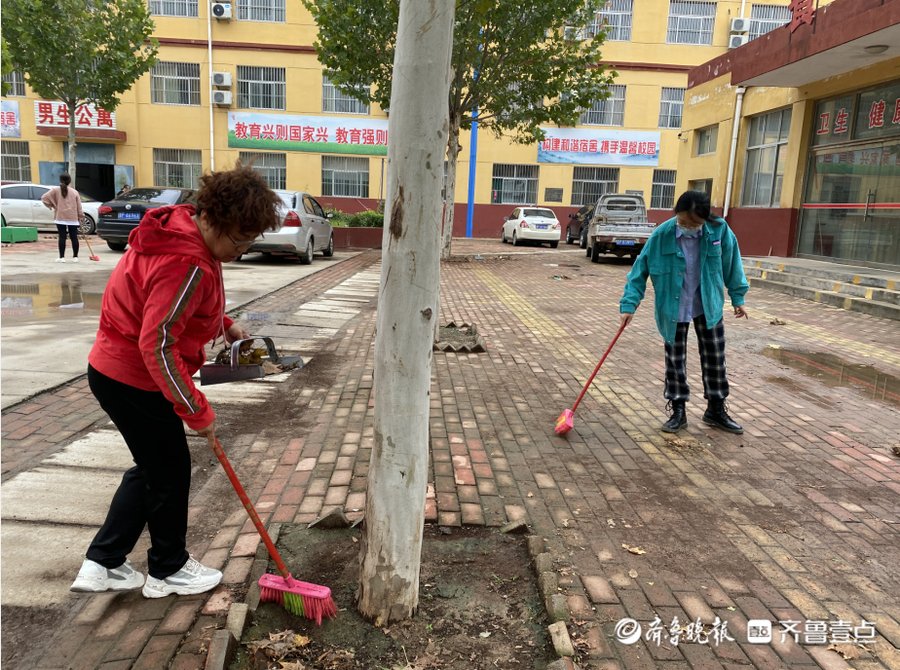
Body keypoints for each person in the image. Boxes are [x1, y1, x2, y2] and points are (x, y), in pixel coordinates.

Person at [69, 163, 280, 598]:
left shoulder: (182, 232)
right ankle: (168, 568)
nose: (240, 251)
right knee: (169, 471)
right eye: (239, 240)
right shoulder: (186, 261)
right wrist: (195, 408)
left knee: (153, 467)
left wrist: (223, 322)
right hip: (134, 376)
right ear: (214, 219)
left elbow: (171, 305)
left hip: (114, 371)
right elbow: (158, 343)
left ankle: (103, 561)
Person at [618, 190, 749, 435]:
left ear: (704, 218)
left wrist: (738, 297)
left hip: (707, 304)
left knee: (715, 358)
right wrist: (629, 305)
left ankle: (716, 409)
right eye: (682, 220)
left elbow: (732, 262)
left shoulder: (719, 231)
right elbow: (639, 271)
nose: (686, 226)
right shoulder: (662, 235)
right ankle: (678, 410)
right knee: (675, 360)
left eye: (692, 223)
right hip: (673, 306)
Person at [41, 173, 83, 263]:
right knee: (74, 237)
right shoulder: (75, 192)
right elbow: (79, 206)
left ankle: (62, 257)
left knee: (62, 237)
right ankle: (75, 257)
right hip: (73, 217)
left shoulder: (55, 190)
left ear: (60, 180)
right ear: (69, 181)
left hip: (60, 217)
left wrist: (52, 206)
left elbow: (44, 198)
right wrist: (80, 216)